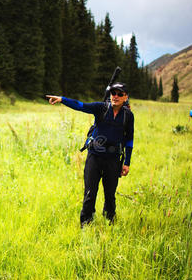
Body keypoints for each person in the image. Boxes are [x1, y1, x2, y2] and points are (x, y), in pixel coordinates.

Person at [46, 83, 134, 227]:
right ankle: (86, 224)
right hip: (94, 157)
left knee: (110, 195)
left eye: (119, 94)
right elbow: (80, 105)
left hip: (113, 160)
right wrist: (62, 99)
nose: (115, 96)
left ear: (126, 97)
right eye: (113, 93)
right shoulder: (101, 108)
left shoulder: (128, 116)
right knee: (89, 193)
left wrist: (127, 162)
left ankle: (110, 222)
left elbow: (129, 139)